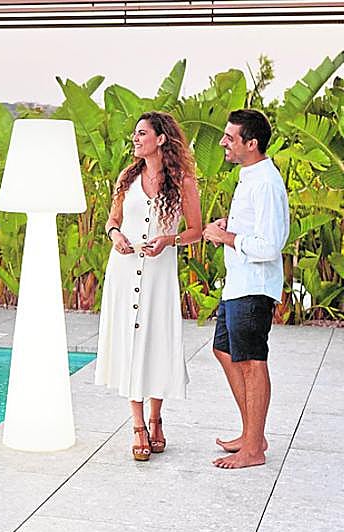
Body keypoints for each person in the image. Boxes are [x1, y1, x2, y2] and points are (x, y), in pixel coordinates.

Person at [95, 111, 202, 461]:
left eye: (142, 133)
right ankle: (138, 425)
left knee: (156, 341)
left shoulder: (183, 181)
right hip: (124, 270)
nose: (136, 138)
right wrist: (115, 235)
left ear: (161, 138)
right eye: (135, 134)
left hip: (159, 274)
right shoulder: (127, 178)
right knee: (130, 341)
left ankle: (156, 418)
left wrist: (169, 240)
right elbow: (112, 220)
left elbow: (195, 231)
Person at [203, 109, 289, 469]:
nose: (223, 141)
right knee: (223, 350)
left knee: (252, 363)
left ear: (251, 143)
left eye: (230, 137)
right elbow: (255, 227)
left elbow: (270, 245)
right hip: (237, 284)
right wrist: (230, 225)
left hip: (254, 287)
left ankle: (253, 449)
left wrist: (226, 237)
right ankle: (253, 433)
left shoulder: (265, 182)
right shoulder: (249, 176)